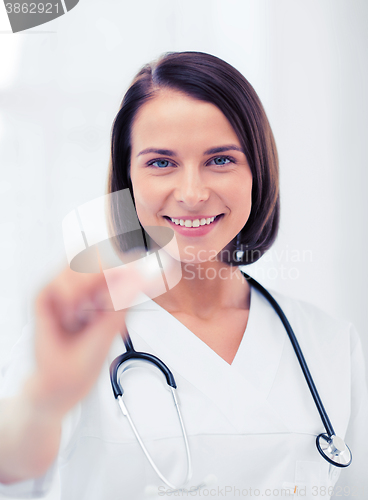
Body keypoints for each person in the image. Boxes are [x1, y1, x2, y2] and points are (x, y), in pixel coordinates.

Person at [0, 51, 367, 500]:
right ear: (128, 181)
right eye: (161, 163)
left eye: (220, 160)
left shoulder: (329, 345)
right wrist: (48, 393)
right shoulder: (78, 335)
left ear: (258, 171)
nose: (192, 193)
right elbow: (11, 465)